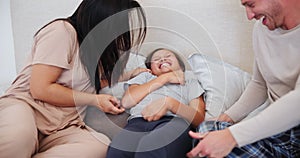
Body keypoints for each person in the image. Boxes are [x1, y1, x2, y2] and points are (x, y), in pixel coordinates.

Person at [0, 0, 147, 157]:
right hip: (27, 107)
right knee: (20, 135)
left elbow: (91, 82)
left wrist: (133, 74)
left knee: (99, 147)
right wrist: (94, 100)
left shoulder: (95, 51)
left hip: (63, 125)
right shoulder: (62, 31)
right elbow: (40, 89)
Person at [187, 0, 300, 157]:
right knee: (208, 131)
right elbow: (260, 84)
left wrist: (233, 136)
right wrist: (228, 117)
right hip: (280, 134)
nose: (249, 15)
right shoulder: (261, 30)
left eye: (251, 4)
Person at [106, 48, 206, 158]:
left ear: (181, 67)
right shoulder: (145, 78)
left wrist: (171, 104)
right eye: (157, 59)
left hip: (174, 122)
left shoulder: (189, 82)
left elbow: (199, 119)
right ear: (151, 69)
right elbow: (127, 101)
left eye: (168, 56)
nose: (162, 59)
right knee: (117, 151)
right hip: (137, 123)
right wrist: (164, 78)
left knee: (152, 148)